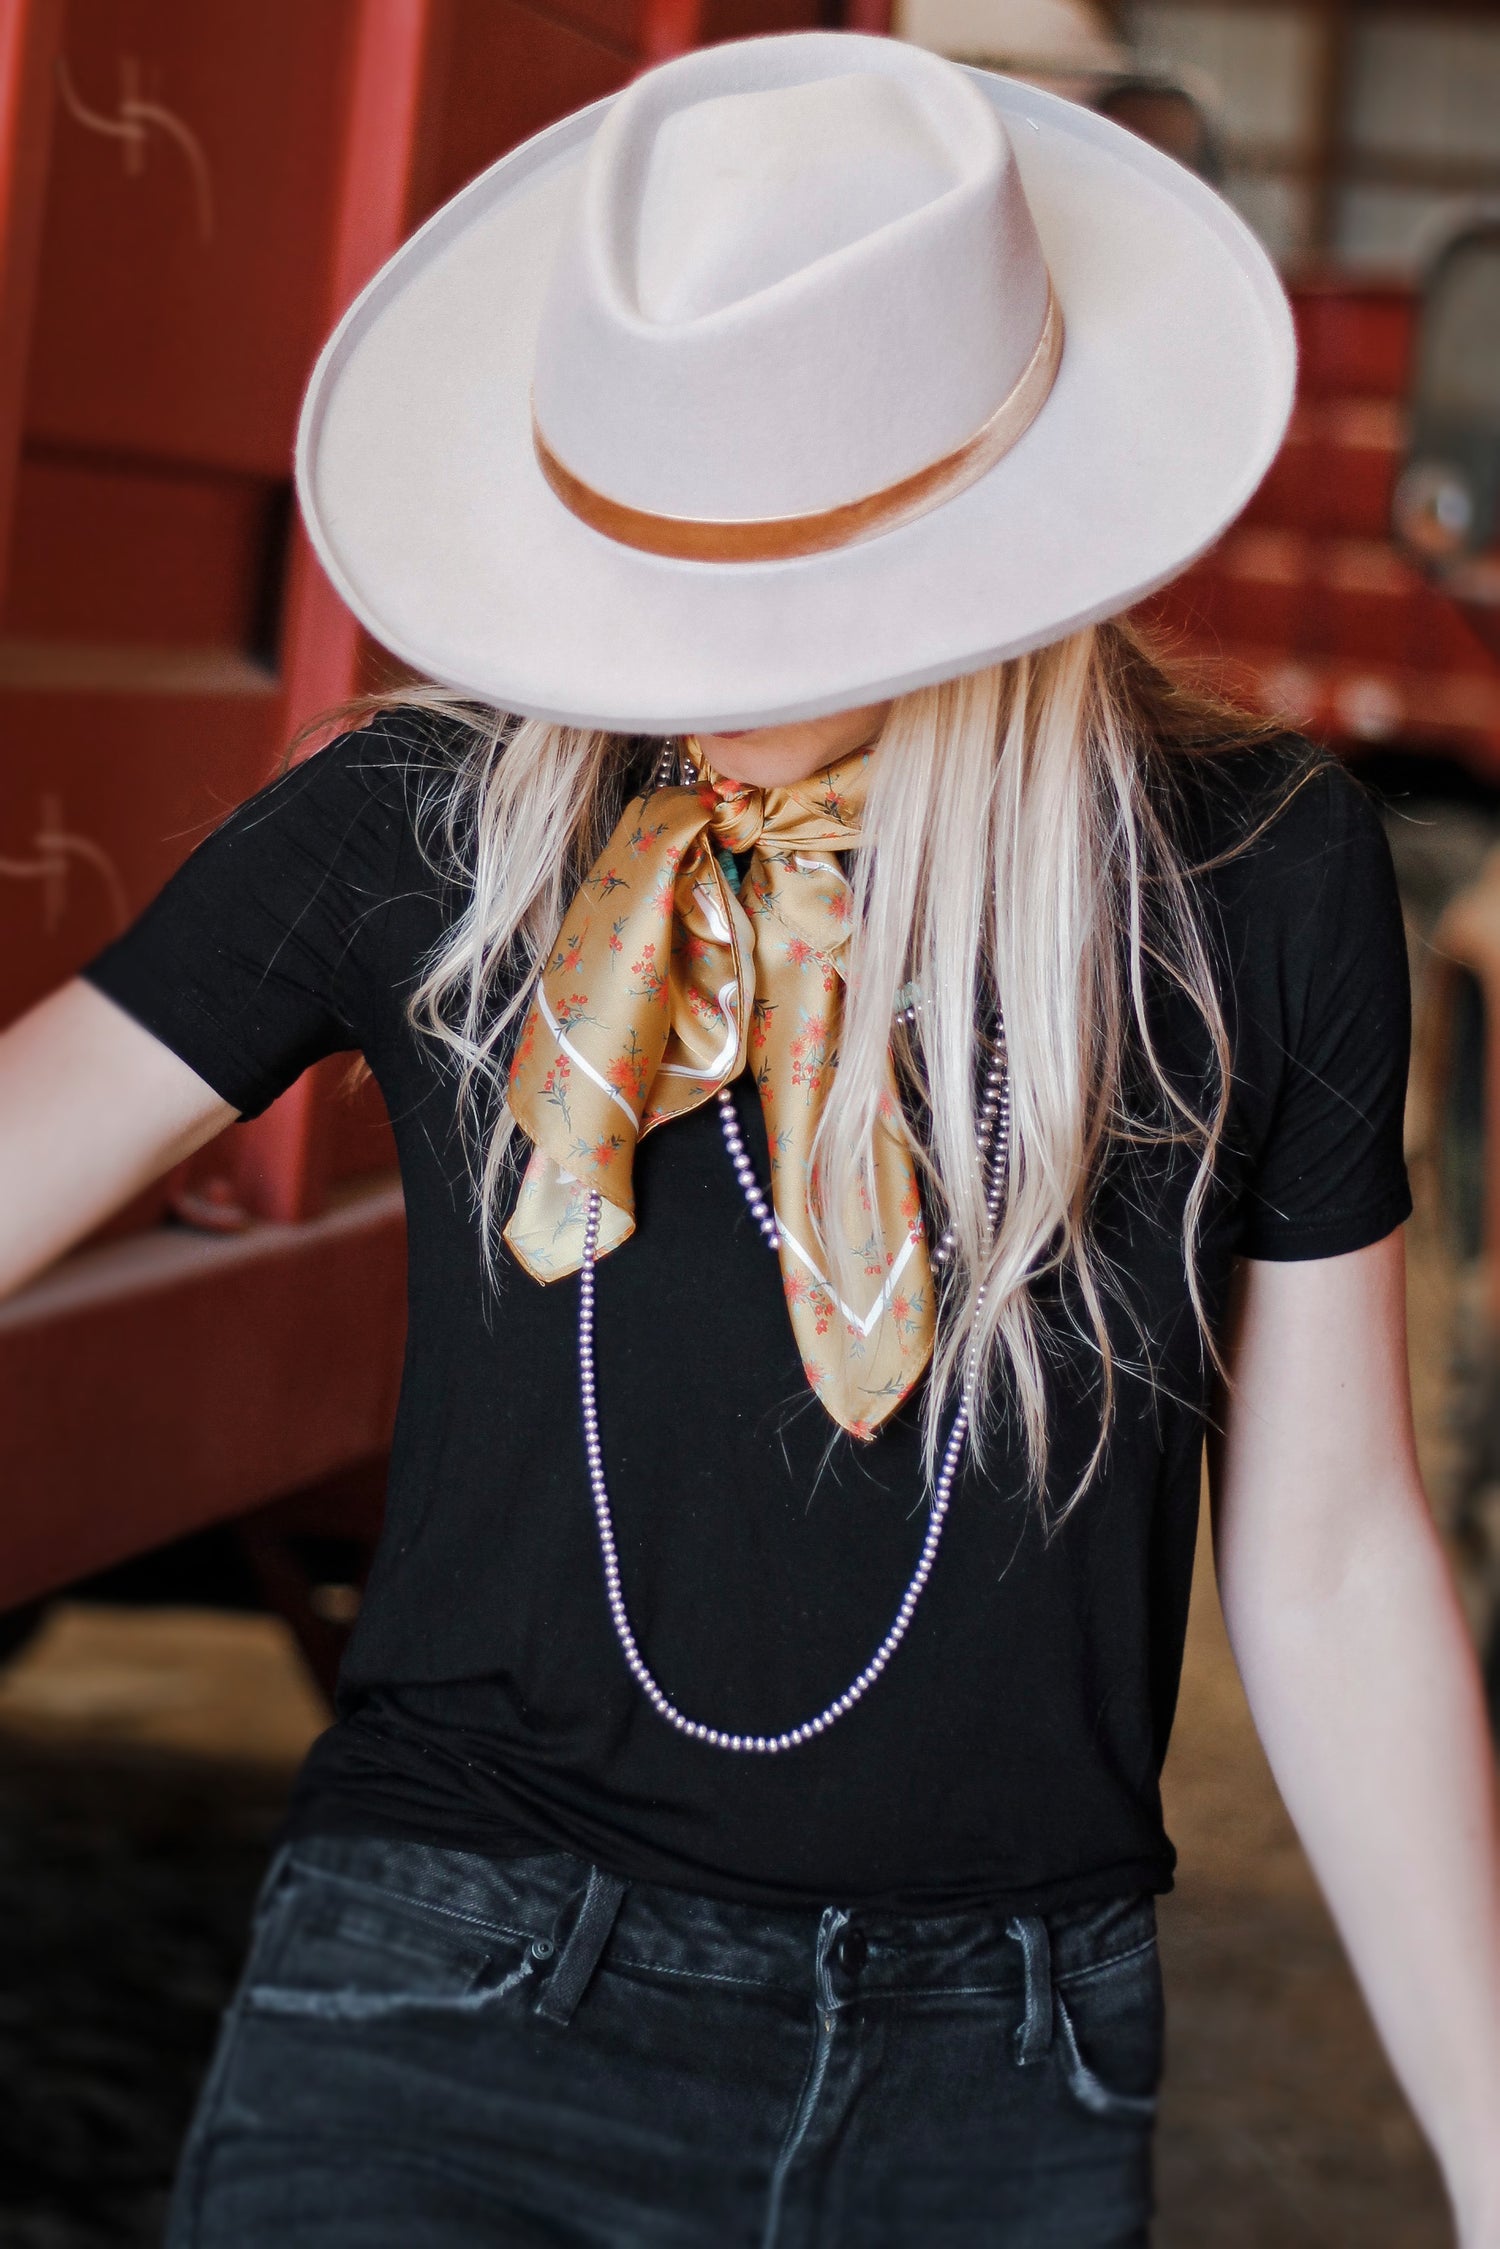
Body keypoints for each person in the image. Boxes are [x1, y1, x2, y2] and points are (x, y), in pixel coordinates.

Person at [1, 29, 1498, 2248]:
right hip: (451, 2002)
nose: (668, 651)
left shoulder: (1251, 883)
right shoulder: (425, 835)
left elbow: (1339, 1556)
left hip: (998, 2073)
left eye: (761, 570)